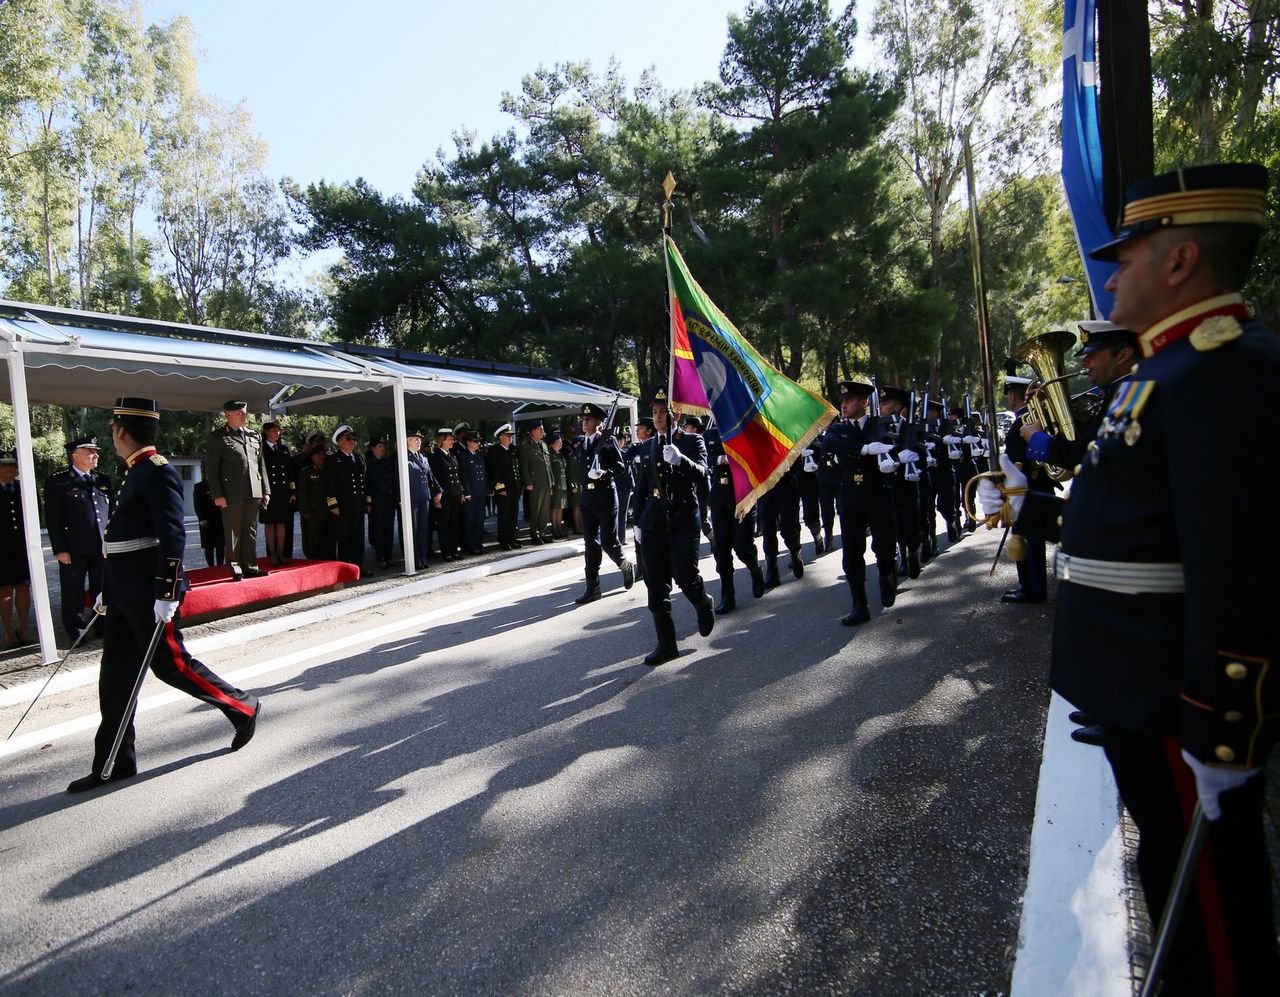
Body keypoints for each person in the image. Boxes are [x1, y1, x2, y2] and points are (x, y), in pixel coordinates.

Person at [1051, 162, 1278, 994]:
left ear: (1181, 261)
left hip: (1177, 704)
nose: (1114, 273)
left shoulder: (1224, 370)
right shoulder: (1168, 369)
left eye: (1132, 254)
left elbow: (1240, 567)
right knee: (1171, 874)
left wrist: (1224, 730)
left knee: (1212, 907)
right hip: (1138, 691)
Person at [66, 397, 260, 794]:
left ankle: (242, 706)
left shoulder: (157, 472)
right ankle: (114, 762)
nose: (112, 435)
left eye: (113, 428)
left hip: (149, 593)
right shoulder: (134, 471)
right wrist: (107, 589)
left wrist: (167, 591)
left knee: (172, 666)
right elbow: (123, 540)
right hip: (125, 591)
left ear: (123, 431)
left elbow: (172, 535)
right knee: (115, 679)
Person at [632, 389, 713, 664]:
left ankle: (703, 602)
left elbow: (703, 474)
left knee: (685, 577)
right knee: (655, 583)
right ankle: (666, 644)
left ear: (675, 413)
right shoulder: (647, 446)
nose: (656, 417)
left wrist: (681, 460)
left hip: (683, 516)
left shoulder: (691, 440)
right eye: (653, 412)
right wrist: (637, 522)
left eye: (661, 412)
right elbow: (642, 487)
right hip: (654, 518)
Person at [820, 380, 898, 625]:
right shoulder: (838, 429)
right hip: (850, 493)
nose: (843, 405)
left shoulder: (880, 424)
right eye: (842, 400)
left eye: (849, 400)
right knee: (852, 551)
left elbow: (897, 443)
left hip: (878, 491)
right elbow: (828, 444)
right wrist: (863, 449)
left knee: (884, 546)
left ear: (864, 402)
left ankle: (886, 575)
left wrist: (894, 459)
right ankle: (859, 605)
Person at [43, 435, 115, 641]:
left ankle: (102, 626)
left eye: (96, 451)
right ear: (75, 456)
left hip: (101, 547)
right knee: (72, 591)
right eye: (90, 452)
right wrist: (59, 549)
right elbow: (53, 519)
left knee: (101, 589)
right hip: (73, 549)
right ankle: (76, 629)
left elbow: (111, 515)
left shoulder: (102, 480)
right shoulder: (59, 482)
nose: (96, 455)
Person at [571, 403, 635, 604]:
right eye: (583, 419)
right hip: (587, 499)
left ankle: (625, 565)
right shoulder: (581, 444)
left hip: (605, 496)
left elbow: (620, 467)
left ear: (599, 422)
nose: (584, 421)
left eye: (589, 419)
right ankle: (593, 588)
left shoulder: (608, 440)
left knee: (609, 542)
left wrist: (603, 473)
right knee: (590, 544)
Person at [204, 400, 270, 580]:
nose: (244, 416)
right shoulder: (217, 437)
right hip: (231, 492)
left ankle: (250, 566)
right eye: (240, 413)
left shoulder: (254, 435)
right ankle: (235, 568)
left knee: (250, 530)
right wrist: (217, 494)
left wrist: (266, 490)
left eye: (245, 412)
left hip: (253, 490)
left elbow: (260, 464)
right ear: (228, 414)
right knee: (233, 531)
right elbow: (212, 469)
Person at [704, 421, 764, 614]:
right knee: (721, 550)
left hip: (742, 493)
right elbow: (703, 458)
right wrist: (720, 459)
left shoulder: (744, 430)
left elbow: (758, 454)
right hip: (720, 496)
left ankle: (755, 568)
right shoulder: (709, 435)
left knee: (742, 547)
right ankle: (727, 596)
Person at [0, 450, 33, 647]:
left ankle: (24, 627)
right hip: (1, 550)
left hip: (22, 547)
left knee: (23, 587)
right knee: (4, 590)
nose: (9, 469)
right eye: (4, 465)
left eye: (12, 465)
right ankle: (8, 630)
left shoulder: (23, 488)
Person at [323, 424, 368, 569]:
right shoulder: (333, 460)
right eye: (348, 439)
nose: (352, 441)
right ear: (340, 441)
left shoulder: (359, 459)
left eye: (353, 439)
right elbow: (329, 484)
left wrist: (367, 501)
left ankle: (358, 566)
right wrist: (333, 504)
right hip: (343, 506)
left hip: (358, 504)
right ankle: (345, 567)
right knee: (344, 538)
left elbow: (364, 482)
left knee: (358, 537)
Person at [756, 460, 803, 588]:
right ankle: (772, 570)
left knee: (789, 531)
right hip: (765, 491)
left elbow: (798, 463)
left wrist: (788, 466)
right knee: (768, 532)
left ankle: (795, 554)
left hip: (786, 487)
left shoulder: (786, 439)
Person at [259, 420, 295, 567]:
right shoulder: (260, 449)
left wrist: (292, 490)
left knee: (281, 523)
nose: (277, 433)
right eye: (274, 430)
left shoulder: (284, 449)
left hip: (282, 492)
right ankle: (272, 554)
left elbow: (290, 472)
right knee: (270, 524)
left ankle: (280, 553)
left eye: (279, 431)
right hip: (268, 492)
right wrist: (262, 491)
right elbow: (259, 472)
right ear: (266, 431)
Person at [405, 429, 443, 566]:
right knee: (413, 530)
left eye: (420, 439)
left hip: (424, 497)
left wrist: (438, 489)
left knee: (423, 529)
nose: (419, 442)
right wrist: (400, 498)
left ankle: (423, 556)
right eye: (416, 439)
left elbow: (430, 476)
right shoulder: (404, 457)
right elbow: (399, 480)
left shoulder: (423, 457)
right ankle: (414, 559)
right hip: (412, 498)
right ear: (408, 441)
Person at [428, 428, 464, 560]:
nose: (452, 441)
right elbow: (433, 478)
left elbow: (457, 476)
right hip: (444, 496)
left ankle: (454, 549)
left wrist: (461, 492)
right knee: (444, 524)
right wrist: (436, 498)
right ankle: (446, 551)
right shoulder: (435, 457)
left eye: (452, 439)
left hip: (455, 494)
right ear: (442, 441)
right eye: (449, 439)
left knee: (454, 523)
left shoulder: (452, 455)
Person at [364, 436, 398, 569]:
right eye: (379, 446)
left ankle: (388, 556)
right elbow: (367, 485)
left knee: (388, 530)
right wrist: (368, 503)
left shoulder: (387, 462)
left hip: (389, 501)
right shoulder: (368, 463)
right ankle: (380, 558)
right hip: (377, 502)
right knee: (379, 530)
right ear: (372, 449)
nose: (382, 449)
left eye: (383, 447)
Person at [486, 424, 521, 550]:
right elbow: (495, 472)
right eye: (508, 435)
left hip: (514, 488)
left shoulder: (512, 450)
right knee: (504, 516)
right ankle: (503, 540)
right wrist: (500, 488)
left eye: (511, 435)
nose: (511, 437)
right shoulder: (495, 452)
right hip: (504, 489)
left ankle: (511, 538)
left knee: (513, 515)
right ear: (501, 437)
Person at [296, 446, 334, 560]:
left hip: (329, 511)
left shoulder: (329, 470)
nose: (322, 457)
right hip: (314, 513)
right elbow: (302, 494)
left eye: (323, 454)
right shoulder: (306, 472)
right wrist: (305, 511)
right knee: (314, 542)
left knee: (330, 541)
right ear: (312, 457)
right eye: (319, 455)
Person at [519, 420, 552, 544]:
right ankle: (534, 534)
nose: (543, 431)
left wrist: (551, 481)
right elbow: (524, 466)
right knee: (535, 510)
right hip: (535, 483)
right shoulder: (526, 446)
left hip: (546, 482)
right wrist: (528, 482)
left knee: (544, 510)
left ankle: (542, 532)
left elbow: (548, 465)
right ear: (533, 430)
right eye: (540, 429)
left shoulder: (543, 444)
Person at [457, 430, 486, 554]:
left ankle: (478, 543)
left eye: (479, 441)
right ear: (468, 442)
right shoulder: (463, 456)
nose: (478, 443)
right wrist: (466, 492)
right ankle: (471, 545)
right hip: (471, 493)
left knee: (479, 519)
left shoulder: (478, 455)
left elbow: (484, 474)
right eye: (475, 441)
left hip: (480, 491)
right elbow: (463, 476)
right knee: (470, 520)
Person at [193, 478, 225, 567]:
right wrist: (201, 519)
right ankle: (210, 566)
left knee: (221, 544)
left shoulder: (220, 484)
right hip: (207, 520)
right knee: (208, 545)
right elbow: (197, 504)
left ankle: (220, 565)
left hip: (220, 519)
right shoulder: (199, 486)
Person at [547, 431, 568, 539]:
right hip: (555, 485)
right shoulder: (550, 456)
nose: (561, 444)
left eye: (561, 442)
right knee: (554, 508)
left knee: (560, 508)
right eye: (558, 442)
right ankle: (554, 528)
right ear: (552, 443)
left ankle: (559, 526)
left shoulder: (560, 455)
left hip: (562, 485)